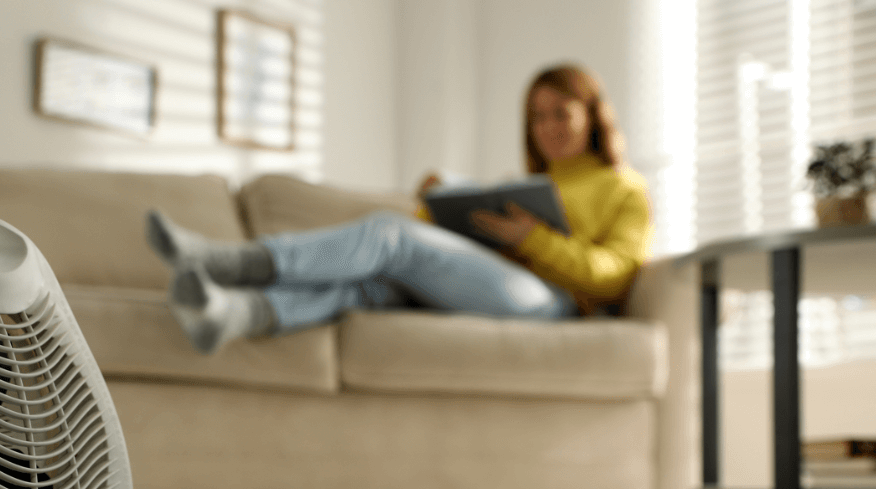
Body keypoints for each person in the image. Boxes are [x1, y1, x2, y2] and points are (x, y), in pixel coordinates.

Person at [146, 63, 652, 354]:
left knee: (389, 235)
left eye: (561, 113)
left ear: (592, 114)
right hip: (496, 282)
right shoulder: (526, 185)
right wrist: (442, 205)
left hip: (556, 305)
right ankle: (234, 314)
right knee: (370, 286)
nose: (548, 126)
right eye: (537, 117)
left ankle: (226, 262)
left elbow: (615, 277)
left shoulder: (624, 188)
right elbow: (464, 249)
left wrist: (532, 239)